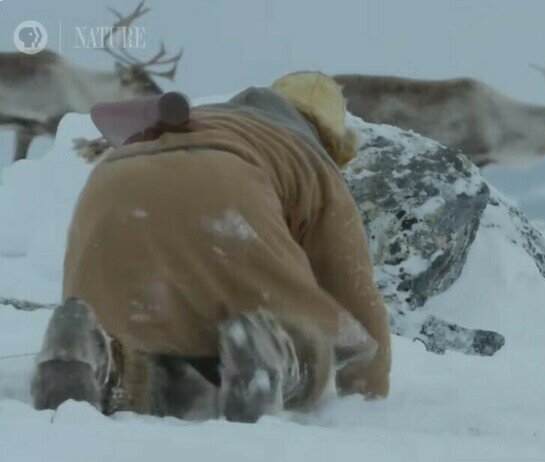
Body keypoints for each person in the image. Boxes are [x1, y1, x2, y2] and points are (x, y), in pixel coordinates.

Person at [31, 72, 391, 422]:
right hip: (226, 189)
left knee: (147, 351)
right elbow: (353, 288)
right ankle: (270, 358)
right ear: (331, 139)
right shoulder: (309, 157)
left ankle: (92, 351)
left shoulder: (210, 120)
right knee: (308, 343)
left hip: (112, 183)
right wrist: (367, 392)